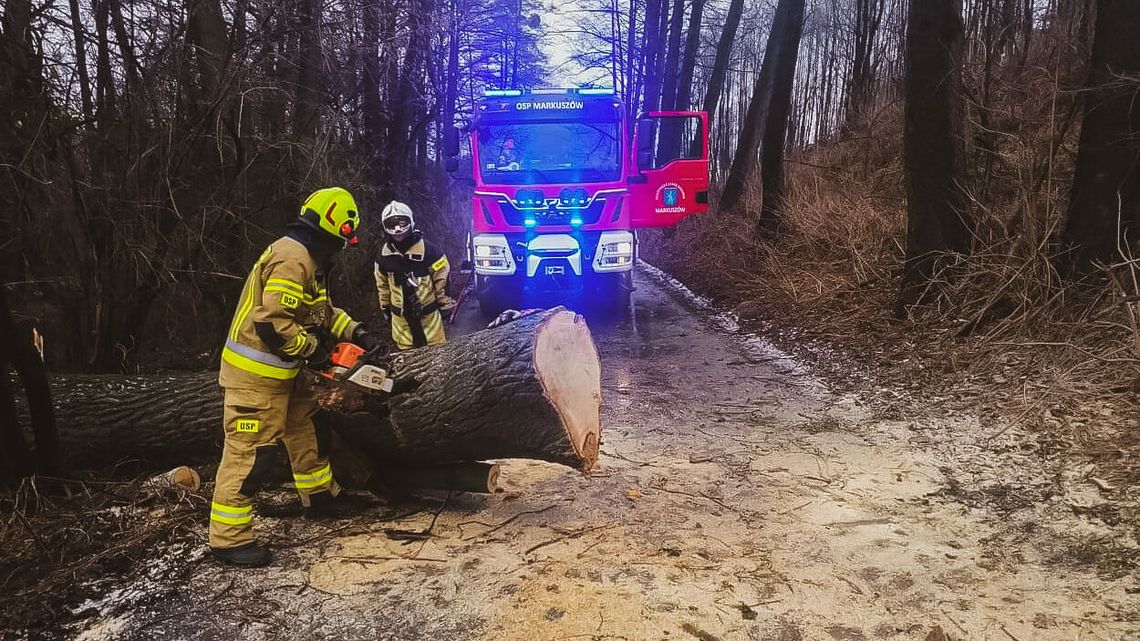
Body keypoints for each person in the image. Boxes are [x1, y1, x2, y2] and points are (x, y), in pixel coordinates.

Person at [210, 187, 381, 567]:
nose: (342, 246)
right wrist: (315, 352)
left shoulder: (309, 260)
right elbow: (272, 324)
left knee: (309, 428)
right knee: (250, 455)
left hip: (286, 373)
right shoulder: (292, 258)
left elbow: (322, 312)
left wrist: (357, 332)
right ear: (333, 228)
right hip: (256, 377)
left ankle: (319, 496)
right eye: (343, 238)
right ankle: (229, 537)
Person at [374, 201, 454, 349]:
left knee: (437, 357)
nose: (398, 229)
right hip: (401, 324)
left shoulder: (430, 252)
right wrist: (385, 308)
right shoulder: (383, 257)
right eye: (392, 224)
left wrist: (445, 305)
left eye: (402, 223)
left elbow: (443, 280)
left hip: (429, 321)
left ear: (411, 222)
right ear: (385, 227)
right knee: (408, 362)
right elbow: (382, 285)